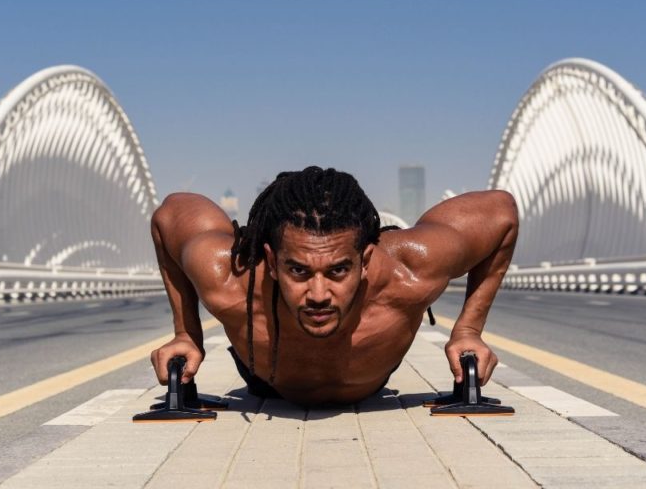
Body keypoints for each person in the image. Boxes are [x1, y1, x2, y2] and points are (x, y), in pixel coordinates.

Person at [149, 166, 518, 406]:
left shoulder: (412, 269)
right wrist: (186, 333)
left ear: (366, 261)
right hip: (268, 380)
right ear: (272, 263)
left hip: (368, 378)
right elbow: (170, 214)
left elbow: (501, 212)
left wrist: (469, 330)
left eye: (339, 271)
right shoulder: (230, 276)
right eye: (299, 271)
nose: (319, 295)